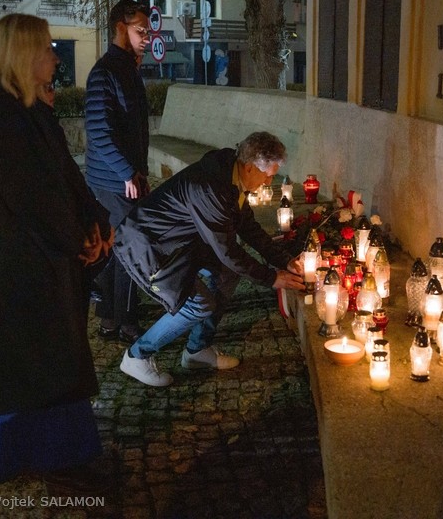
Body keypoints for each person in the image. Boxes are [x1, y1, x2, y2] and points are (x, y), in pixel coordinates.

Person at [0, 13, 114, 492]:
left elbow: (67, 176)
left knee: (58, 363)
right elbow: (32, 195)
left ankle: (65, 458)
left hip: (49, 260)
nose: (54, 56)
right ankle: (49, 463)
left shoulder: (34, 111)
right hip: (19, 268)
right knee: (33, 367)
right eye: (46, 48)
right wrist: (79, 240)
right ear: (24, 55)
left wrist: (98, 223)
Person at [114, 132, 306, 387]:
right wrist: (271, 278)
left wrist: (284, 261)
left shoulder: (232, 176)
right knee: (199, 304)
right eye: (268, 174)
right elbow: (227, 251)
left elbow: (247, 227)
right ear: (249, 167)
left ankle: (197, 350)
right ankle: (137, 355)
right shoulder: (210, 188)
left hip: (182, 243)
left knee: (227, 274)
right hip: (149, 247)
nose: (269, 181)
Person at [84, 0, 152, 344]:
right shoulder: (105, 72)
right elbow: (98, 130)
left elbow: (132, 130)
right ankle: (126, 324)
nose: (147, 36)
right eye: (140, 30)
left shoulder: (127, 69)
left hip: (124, 179)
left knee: (119, 251)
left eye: (148, 30)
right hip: (111, 182)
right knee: (131, 250)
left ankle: (111, 320)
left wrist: (138, 171)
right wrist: (128, 173)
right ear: (119, 28)